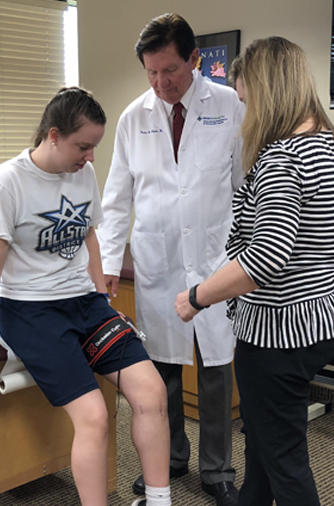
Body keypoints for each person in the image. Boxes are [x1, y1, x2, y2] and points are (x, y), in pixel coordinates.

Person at [173, 36, 334, 506]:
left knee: (284, 459)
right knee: (263, 443)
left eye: (246, 100)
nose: (245, 112)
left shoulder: (282, 157)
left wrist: (197, 296)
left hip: (278, 335)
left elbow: (262, 260)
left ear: (267, 92)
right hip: (324, 322)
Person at [0, 87, 171, 506]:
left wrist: (100, 297)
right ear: (53, 135)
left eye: (94, 147)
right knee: (93, 417)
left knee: (152, 393)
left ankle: (158, 500)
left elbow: (89, 236)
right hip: (30, 312)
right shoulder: (7, 182)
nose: (90, 156)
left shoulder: (82, 174)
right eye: (83, 146)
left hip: (85, 304)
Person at [97, 13, 243, 506]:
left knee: (215, 368)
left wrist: (249, 258)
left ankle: (218, 470)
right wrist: (109, 265)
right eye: (151, 72)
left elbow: (247, 187)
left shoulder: (228, 106)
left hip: (214, 259)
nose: (160, 83)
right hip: (159, 261)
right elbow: (117, 199)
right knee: (160, 368)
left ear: (195, 60)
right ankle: (172, 455)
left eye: (171, 71)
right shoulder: (133, 117)